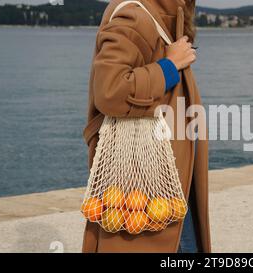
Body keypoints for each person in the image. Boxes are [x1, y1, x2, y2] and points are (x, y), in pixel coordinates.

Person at [82, 0, 211, 253]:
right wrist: (169, 67)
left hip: (166, 178)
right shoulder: (135, 14)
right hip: (148, 179)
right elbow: (110, 91)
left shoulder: (160, 13)